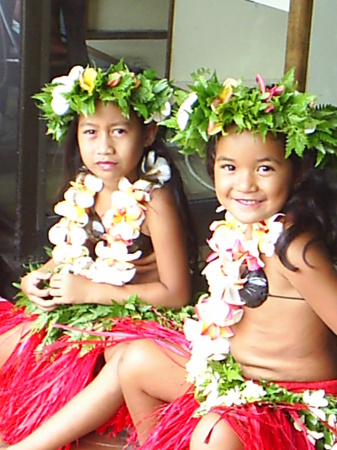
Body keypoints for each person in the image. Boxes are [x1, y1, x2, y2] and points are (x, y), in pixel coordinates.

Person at [116, 68, 337, 450]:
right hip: (234, 378)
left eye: (265, 168)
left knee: (214, 432)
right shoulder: (237, 230)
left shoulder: (296, 247)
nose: (246, 184)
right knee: (137, 361)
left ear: (297, 172)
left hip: (288, 400)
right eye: (229, 167)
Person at [0, 60, 196, 449]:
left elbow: (176, 293)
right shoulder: (85, 187)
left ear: (148, 134)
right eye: (90, 132)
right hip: (82, 309)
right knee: (17, 337)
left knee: (107, 361)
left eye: (119, 131)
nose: (103, 146)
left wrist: (90, 292)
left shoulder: (155, 200)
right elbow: (74, 255)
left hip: (134, 319)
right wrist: (38, 277)